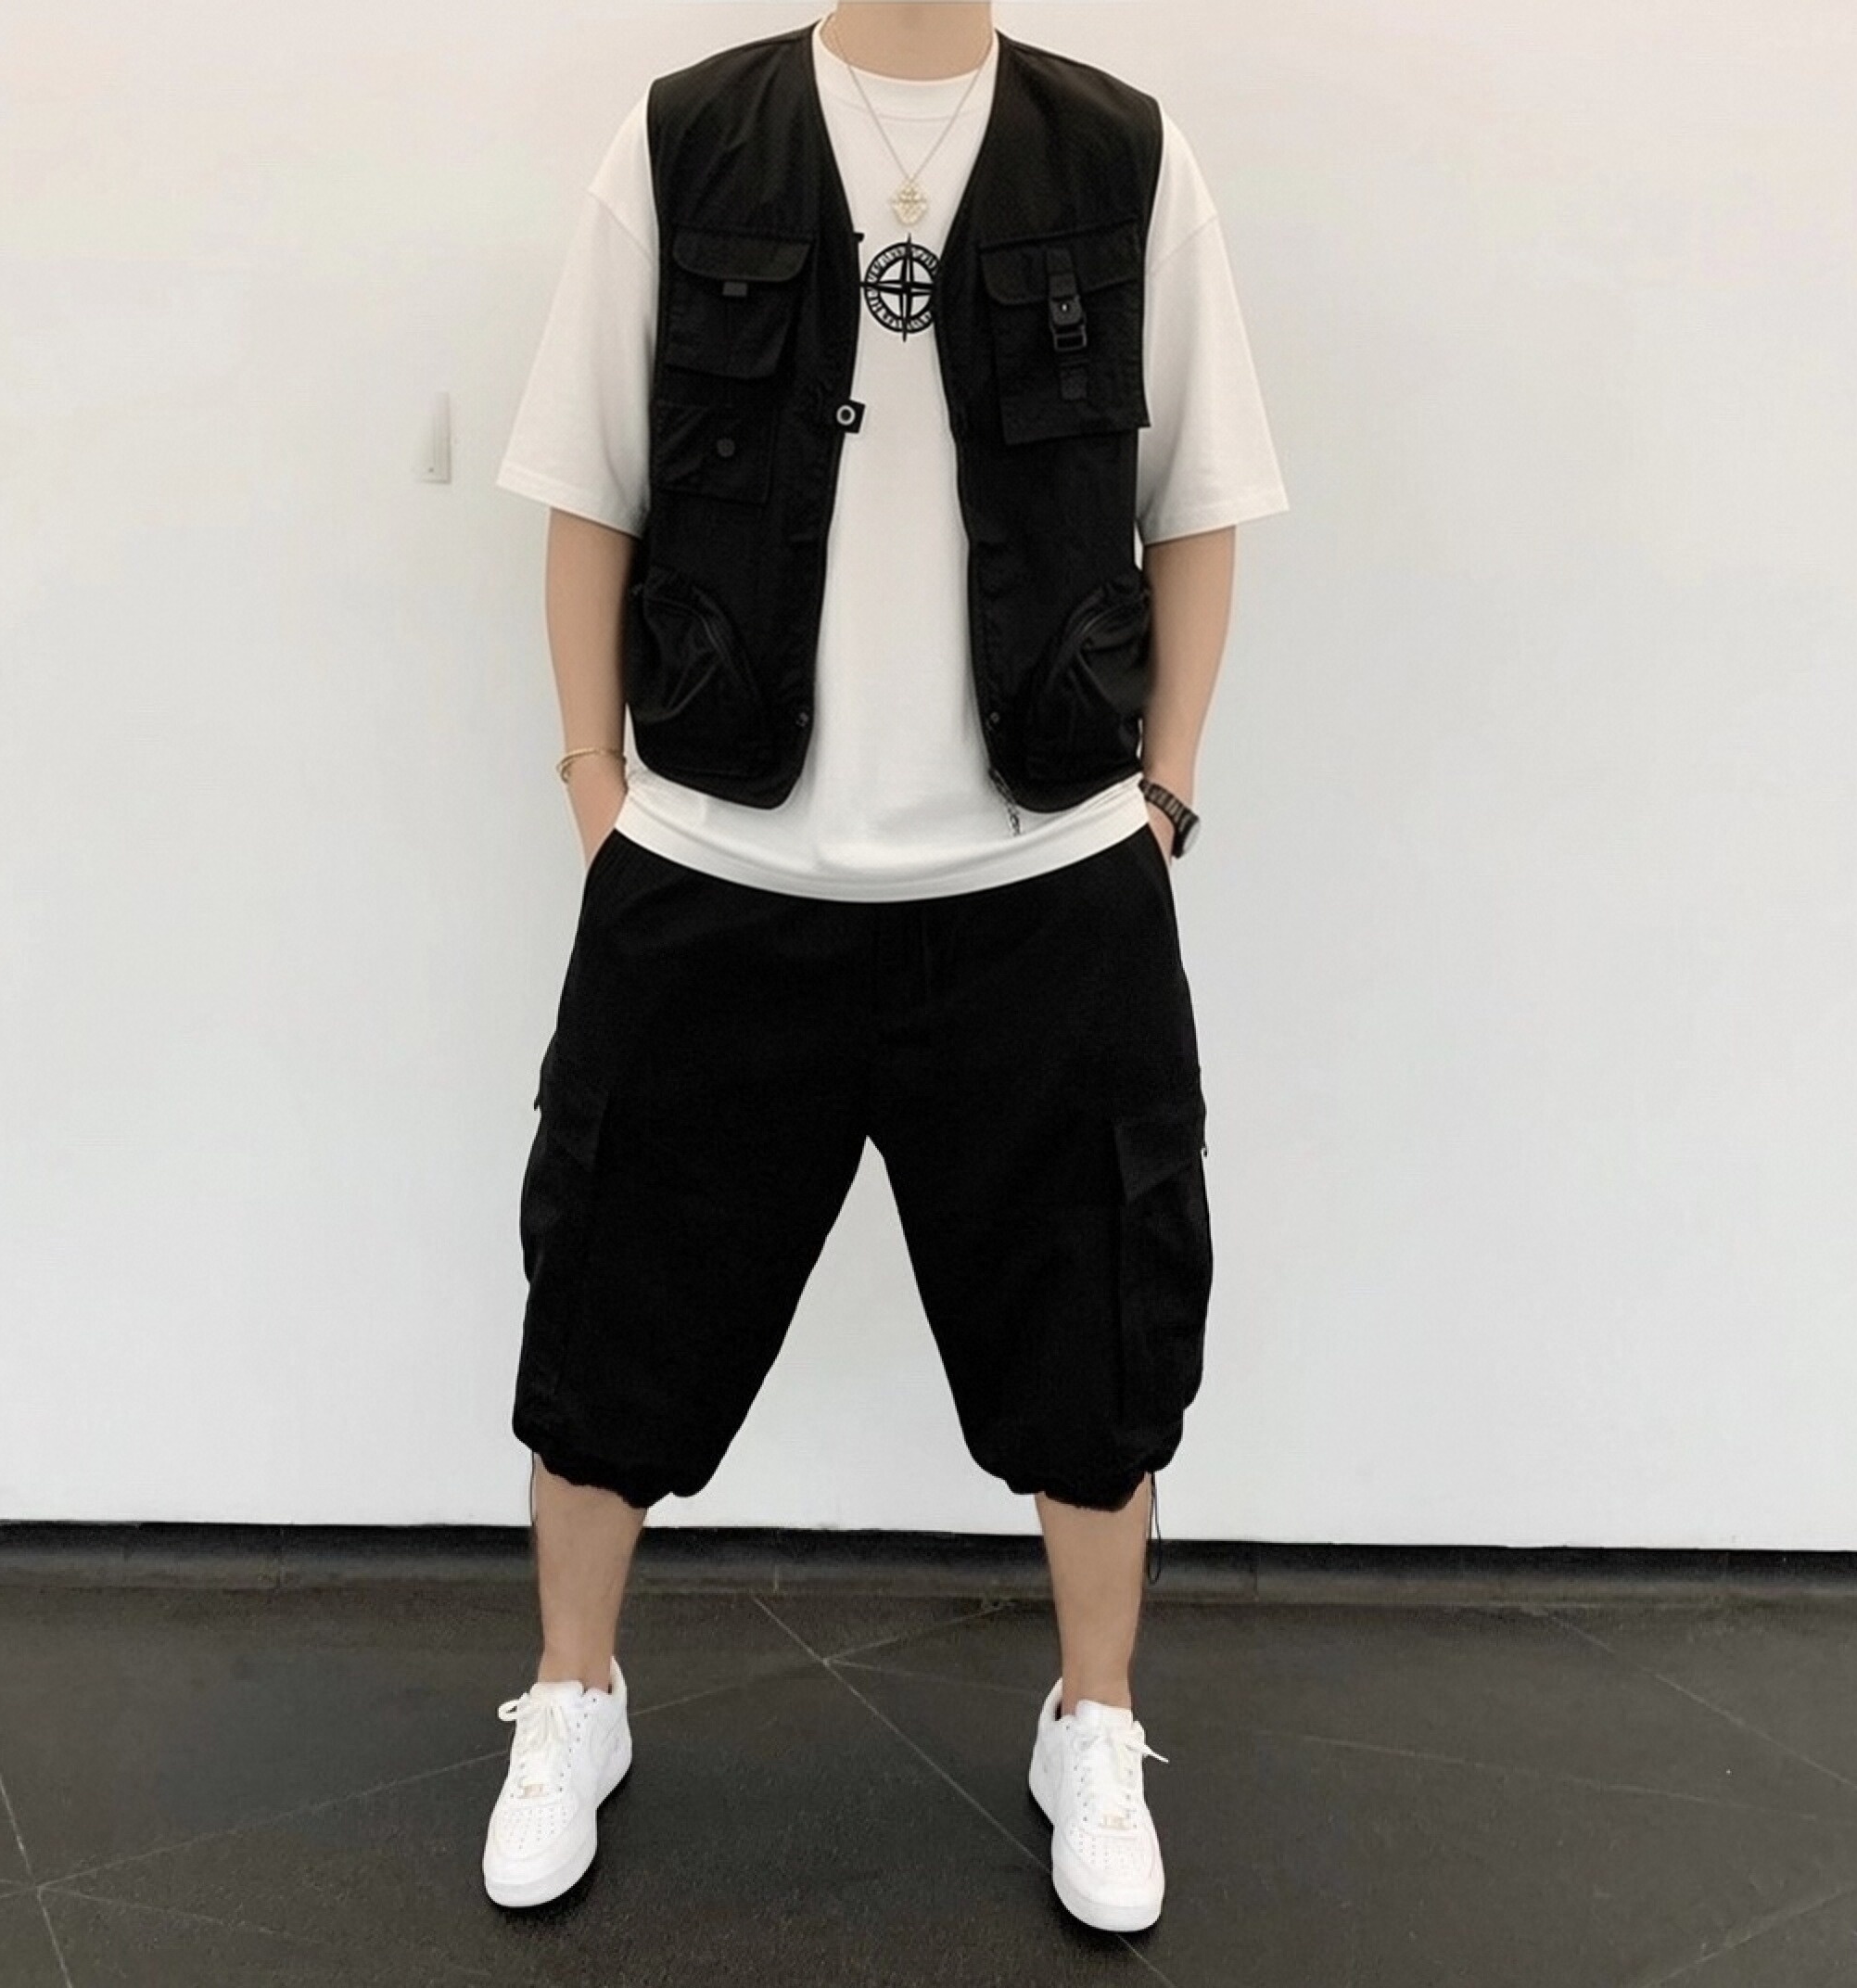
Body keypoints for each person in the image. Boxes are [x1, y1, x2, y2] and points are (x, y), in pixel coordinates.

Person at [483, 0, 1287, 1934]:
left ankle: (1095, 1716)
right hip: (717, 869)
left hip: (1045, 879)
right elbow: (590, 489)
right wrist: (598, 792)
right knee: (611, 1302)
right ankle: (572, 1692)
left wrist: (1163, 796)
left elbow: (1197, 503)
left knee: (1098, 1319)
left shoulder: (1124, 155)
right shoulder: (685, 139)